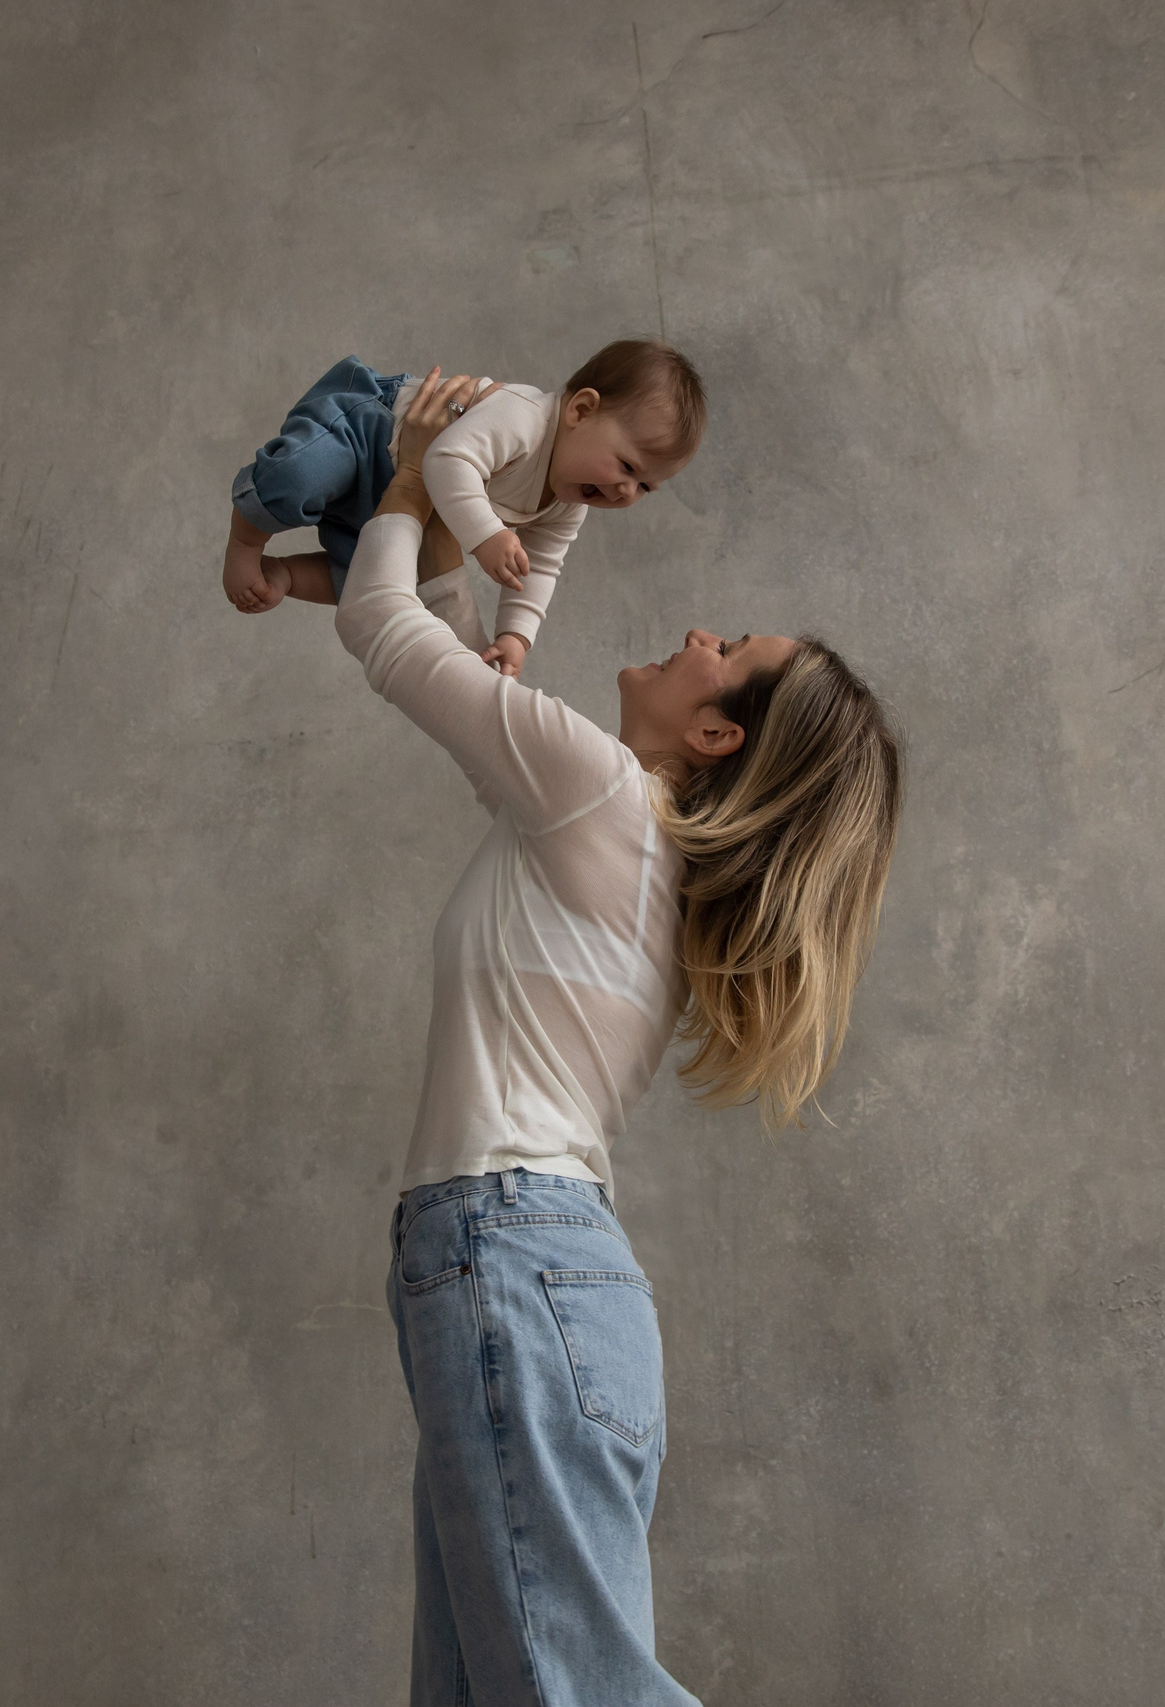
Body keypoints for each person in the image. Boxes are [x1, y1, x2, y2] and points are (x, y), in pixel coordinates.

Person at [337, 369, 902, 1707]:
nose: (705, 630)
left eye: (733, 652)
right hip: (544, 1278)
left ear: (713, 732)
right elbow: (457, 645)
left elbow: (378, 620)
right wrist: (435, 501)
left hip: (507, 1260)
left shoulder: (594, 788)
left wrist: (425, 472)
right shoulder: (619, 840)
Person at [223, 340, 708, 677]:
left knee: (376, 584)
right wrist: (486, 535)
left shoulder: (566, 503)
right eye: (627, 466)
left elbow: (538, 568)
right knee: (297, 477)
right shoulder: (523, 419)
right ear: (581, 410)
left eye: (645, 486)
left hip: (395, 504)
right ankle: (246, 539)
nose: (626, 491)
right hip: (371, 433)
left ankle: (284, 575)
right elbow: (446, 459)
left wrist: (515, 636)